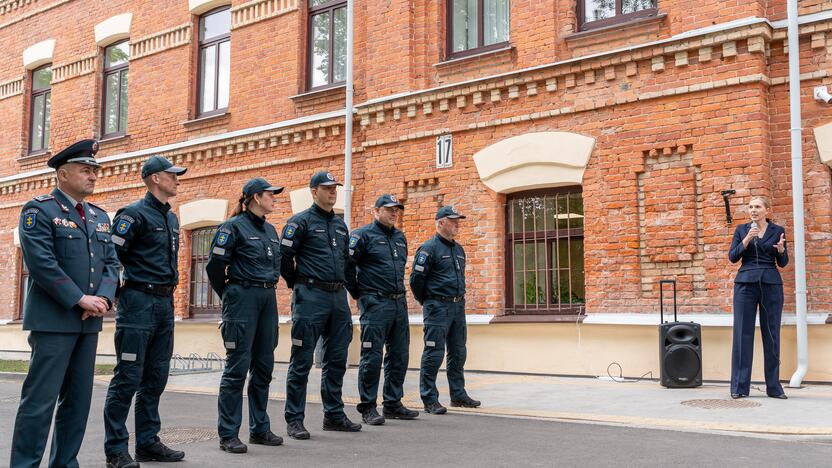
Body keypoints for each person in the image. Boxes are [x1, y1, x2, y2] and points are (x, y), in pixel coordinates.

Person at [10, 139, 119, 468]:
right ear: (63, 174)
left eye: (95, 171)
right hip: (53, 322)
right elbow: (41, 263)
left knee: (77, 402)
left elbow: (111, 263)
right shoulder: (38, 210)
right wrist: (79, 298)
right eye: (86, 170)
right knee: (39, 403)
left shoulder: (99, 216)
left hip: (88, 322)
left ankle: (65, 463)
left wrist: (101, 297)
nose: (93, 176)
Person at [103, 155, 187, 467]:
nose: (177, 179)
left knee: (156, 376)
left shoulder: (172, 218)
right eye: (172, 174)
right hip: (137, 302)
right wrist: (108, 299)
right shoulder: (133, 215)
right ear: (154, 178)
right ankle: (115, 450)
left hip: (164, 304)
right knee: (128, 378)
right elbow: (111, 259)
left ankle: (148, 442)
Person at [206, 178, 285, 453]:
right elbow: (215, 267)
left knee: (264, 367)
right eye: (269, 194)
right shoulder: (232, 227)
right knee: (237, 368)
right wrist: (230, 294)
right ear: (254, 197)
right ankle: (228, 434)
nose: (274, 198)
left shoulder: (271, 230)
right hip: (243, 298)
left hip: (267, 298)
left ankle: (259, 429)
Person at [280, 170, 360, 439]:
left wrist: (352, 293)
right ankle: (294, 420)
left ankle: (334, 415)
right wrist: (298, 284)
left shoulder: (340, 225)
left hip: (338, 298)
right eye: (327, 188)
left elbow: (348, 264)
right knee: (301, 362)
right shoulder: (299, 222)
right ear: (314, 192)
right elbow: (284, 259)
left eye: (335, 188)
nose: (333, 192)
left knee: (336, 360)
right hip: (310, 296)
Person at [348, 194, 419, 425]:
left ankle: (392, 403)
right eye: (389, 209)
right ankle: (368, 407)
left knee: (399, 355)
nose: (393, 213)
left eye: (396, 209)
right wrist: (359, 294)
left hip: (398, 303)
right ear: (376, 211)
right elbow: (347, 267)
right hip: (375, 303)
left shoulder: (400, 237)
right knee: (372, 356)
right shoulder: (362, 235)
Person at [409, 206, 481, 414]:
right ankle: (429, 398)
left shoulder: (458, 249)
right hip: (437, 307)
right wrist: (427, 301)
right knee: (434, 352)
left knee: (458, 352)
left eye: (458, 220)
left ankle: (458, 395)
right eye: (453, 220)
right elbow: (416, 280)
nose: (458, 223)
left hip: (457, 306)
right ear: (441, 223)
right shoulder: (428, 249)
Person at [728, 196, 789, 400]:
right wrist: (747, 239)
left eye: (757, 207)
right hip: (745, 284)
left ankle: (774, 387)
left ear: (766, 210)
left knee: (771, 335)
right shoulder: (741, 230)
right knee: (742, 335)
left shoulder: (777, 230)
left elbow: (783, 262)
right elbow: (733, 257)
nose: (753, 210)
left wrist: (781, 250)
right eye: (751, 207)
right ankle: (739, 387)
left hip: (771, 284)